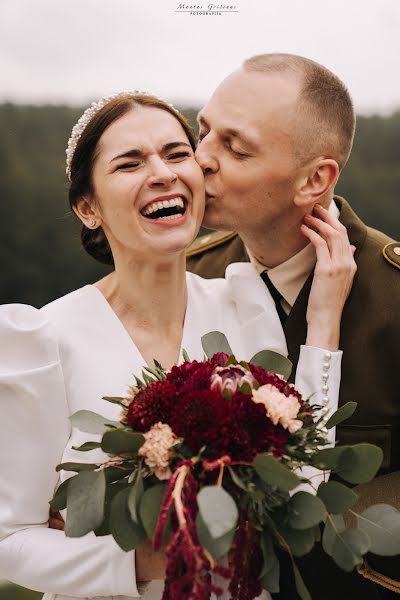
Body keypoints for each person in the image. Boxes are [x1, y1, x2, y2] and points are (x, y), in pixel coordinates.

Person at [0, 91, 355, 600]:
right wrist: (139, 558)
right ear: (87, 207)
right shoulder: (40, 341)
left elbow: (302, 482)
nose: (163, 172)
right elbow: (10, 539)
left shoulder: (244, 302)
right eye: (130, 162)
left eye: (175, 153)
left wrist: (324, 321)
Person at [187, 53, 400, 599]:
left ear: (314, 179)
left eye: (235, 147)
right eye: (203, 130)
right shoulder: (191, 277)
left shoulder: (395, 292)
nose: (199, 159)